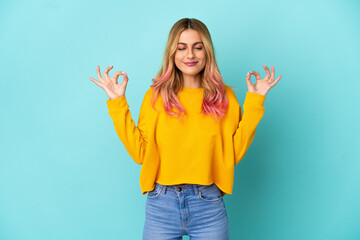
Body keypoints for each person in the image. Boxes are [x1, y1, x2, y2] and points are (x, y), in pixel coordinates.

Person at [90, 18, 282, 240]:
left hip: (208, 206)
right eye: (181, 48)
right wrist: (117, 103)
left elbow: (232, 154)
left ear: (207, 52)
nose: (190, 55)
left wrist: (255, 102)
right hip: (161, 205)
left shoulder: (224, 97)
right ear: (172, 53)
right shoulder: (155, 97)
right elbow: (140, 153)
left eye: (197, 47)